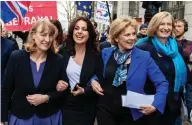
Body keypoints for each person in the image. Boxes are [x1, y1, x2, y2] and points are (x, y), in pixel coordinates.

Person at [91, 18, 169, 125]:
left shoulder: (143, 57)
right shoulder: (106, 53)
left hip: (131, 113)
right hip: (105, 110)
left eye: (133, 34)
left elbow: (162, 83)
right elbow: (97, 73)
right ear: (116, 37)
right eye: (127, 35)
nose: (132, 38)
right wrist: (93, 80)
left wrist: (156, 104)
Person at [1, 19, 68, 125]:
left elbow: (65, 90)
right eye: (43, 34)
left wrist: (47, 97)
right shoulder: (16, 57)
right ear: (33, 35)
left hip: (49, 118)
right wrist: (2, 118)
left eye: (50, 35)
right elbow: (5, 89)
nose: (47, 39)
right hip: (20, 118)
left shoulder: (58, 60)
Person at [136, 11, 189, 125]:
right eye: (162, 24)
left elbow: (184, 77)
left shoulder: (177, 48)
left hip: (172, 106)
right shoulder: (142, 48)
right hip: (149, 105)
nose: (166, 28)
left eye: (169, 24)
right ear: (154, 26)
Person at [56, 16, 99, 125]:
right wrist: (58, 83)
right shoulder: (62, 52)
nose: (80, 32)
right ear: (72, 31)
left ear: (89, 34)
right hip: (65, 105)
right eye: (77, 28)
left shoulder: (96, 55)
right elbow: (53, 75)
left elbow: (100, 78)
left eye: (84, 29)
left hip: (87, 108)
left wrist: (85, 90)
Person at [173, 19, 192, 122]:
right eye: (175, 26)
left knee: (189, 102)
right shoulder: (168, 42)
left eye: (179, 26)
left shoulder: (190, 43)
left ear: (185, 28)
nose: (176, 28)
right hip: (174, 79)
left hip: (188, 79)